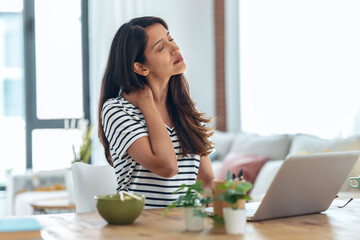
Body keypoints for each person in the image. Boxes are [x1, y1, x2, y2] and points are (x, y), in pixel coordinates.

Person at [98, 16, 215, 208]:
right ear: (141, 67)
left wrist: (207, 214)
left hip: (185, 228)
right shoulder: (117, 110)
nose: (175, 48)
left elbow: (207, 179)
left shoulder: (185, 111)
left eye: (170, 39)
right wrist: (147, 103)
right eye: (161, 48)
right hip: (140, 227)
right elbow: (167, 166)